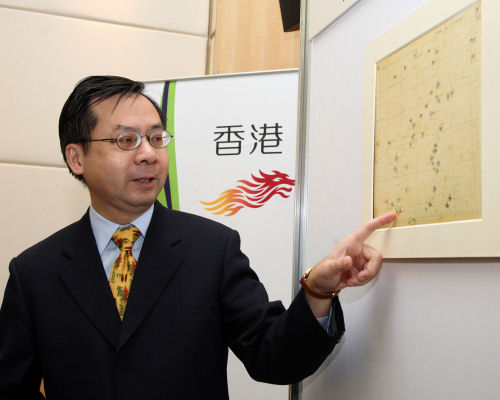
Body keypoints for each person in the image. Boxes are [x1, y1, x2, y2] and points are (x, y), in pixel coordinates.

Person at [0, 76, 396, 399]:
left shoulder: (211, 249)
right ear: (76, 158)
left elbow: (272, 356)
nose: (148, 155)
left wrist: (317, 293)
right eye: (125, 140)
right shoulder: (35, 272)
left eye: (156, 138)